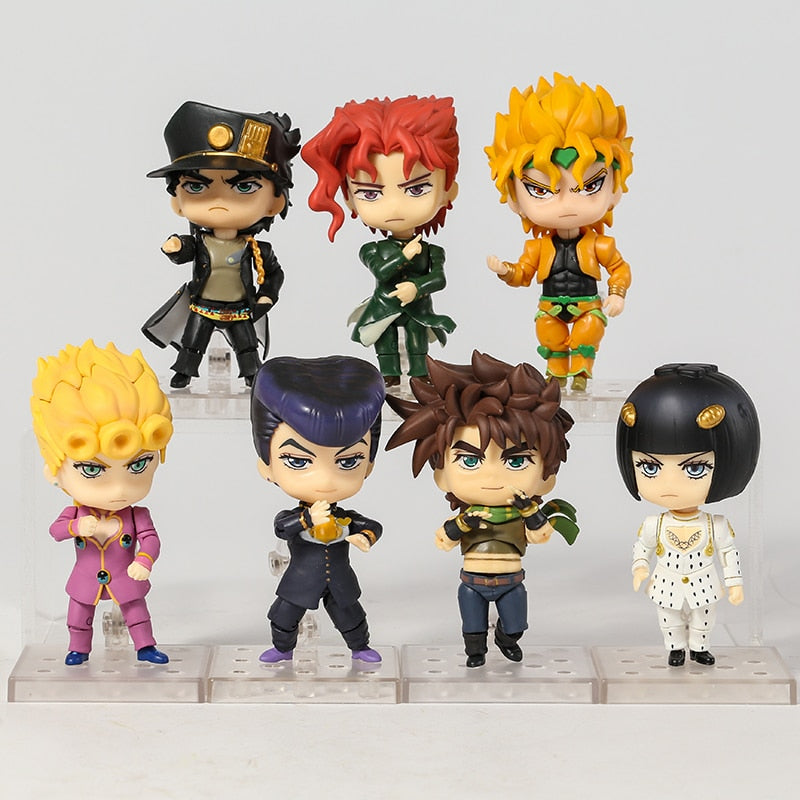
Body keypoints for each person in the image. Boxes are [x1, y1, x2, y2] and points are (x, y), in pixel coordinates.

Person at [386, 351, 577, 667]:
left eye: (516, 461)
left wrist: (530, 512)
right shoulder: (467, 517)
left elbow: (541, 536)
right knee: (472, 627)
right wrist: (463, 524)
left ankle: (506, 638)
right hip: (471, 583)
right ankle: (476, 652)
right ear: (442, 474)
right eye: (470, 460)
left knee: (516, 624)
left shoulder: (520, 513)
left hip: (512, 582)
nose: (491, 477)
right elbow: (443, 540)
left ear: (547, 477)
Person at [485, 74, 634, 390]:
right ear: (514, 197)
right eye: (541, 190)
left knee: (587, 334)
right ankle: (554, 376)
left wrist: (617, 294)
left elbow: (619, 269)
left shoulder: (600, 245)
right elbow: (523, 274)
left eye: (590, 186)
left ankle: (580, 373)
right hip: (550, 307)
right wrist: (505, 271)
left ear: (615, 189)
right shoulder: (537, 248)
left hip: (587, 306)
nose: (567, 203)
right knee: (550, 337)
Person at [30, 340, 174, 665]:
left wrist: (144, 561)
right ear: (53, 470)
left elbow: (151, 540)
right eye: (93, 469)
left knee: (136, 613)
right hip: (85, 579)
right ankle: (78, 649)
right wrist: (77, 526)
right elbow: (56, 531)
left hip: (126, 577)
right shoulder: (76, 511)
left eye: (138, 465)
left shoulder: (138, 514)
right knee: (79, 615)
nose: (119, 489)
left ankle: (145, 647)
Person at [302, 96, 459, 386]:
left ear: (447, 192)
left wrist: (417, 287)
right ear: (349, 199)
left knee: (417, 344)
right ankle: (388, 378)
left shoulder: (432, 250)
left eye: (417, 189)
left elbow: (439, 279)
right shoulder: (372, 249)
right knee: (385, 345)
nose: (394, 207)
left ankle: (420, 379)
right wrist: (405, 256)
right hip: (383, 308)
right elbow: (382, 273)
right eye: (371, 193)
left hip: (418, 309)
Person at [143, 101, 300, 388]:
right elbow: (186, 250)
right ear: (177, 203)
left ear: (275, 202)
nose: (219, 202)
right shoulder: (201, 242)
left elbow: (274, 274)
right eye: (196, 187)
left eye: (244, 187)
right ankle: (184, 371)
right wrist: (176, 247)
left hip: (240, 307)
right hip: (202, 305)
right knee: (193, 342)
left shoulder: (258, 249)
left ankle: (252, 373)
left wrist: (267, 296)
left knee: (246, 345)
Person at [616, 363, 760, 666]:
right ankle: (675, 648)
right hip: (665, 581)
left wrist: (734, 582)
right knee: (668, 617)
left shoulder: (715, 524)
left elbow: (728, 553)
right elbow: (642, 547)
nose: (669, 485)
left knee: (703, 618)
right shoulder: (654, 524)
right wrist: (640, 567)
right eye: (649, 467)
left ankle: (699, 647)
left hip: (703, 581)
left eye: (695, 468)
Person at [250, 355, 385, 662]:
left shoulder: (344, 518)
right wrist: (307, 518)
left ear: (368, 464)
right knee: (283, 616)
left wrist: (364, 537)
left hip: (340, 581)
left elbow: (372, 526)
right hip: (299, 581)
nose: (325, 480)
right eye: (297, 461)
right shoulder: (295, 516)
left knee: (351, 617)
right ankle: (282, 649)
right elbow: (282, 527)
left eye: (348, 461)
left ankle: (360, 647)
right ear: (266, 466)